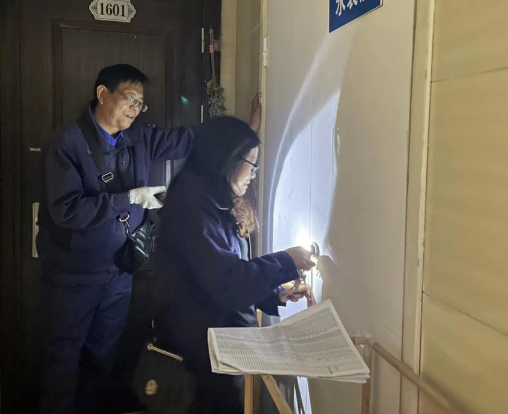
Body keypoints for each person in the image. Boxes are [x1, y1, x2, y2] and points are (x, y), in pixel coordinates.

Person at [36, 64, 196, 414]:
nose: (135, 109)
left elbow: (187, 139)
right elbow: (67, 210)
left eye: (140, 103)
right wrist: (131, 198)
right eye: (130, 99)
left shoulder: (139, 138)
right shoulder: (67, 142)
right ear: (102, 94)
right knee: (62, 362)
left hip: (120, 272)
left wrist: (242, 130)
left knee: (101, 359)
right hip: (73, 276)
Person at [154, 116, 315, 414]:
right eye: (251, 165)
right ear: (226, 159)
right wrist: (285, 260)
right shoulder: (192, 207)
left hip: (219, 348)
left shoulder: (210, 200)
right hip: (200, 356)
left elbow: (219, 273)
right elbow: (227, 283)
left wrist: (274, 293)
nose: (253, 174)